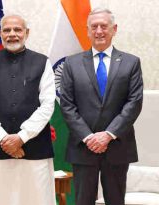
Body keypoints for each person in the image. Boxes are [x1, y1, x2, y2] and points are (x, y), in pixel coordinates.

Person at [60, 8, 144, 205]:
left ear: (114, 29)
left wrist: (108, 135)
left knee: (115, 200)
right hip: (83, 146)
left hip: (117, 146)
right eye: (94, 27)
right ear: (88, 31)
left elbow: (134, 103)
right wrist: (89, 137)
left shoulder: (131, 63)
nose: (99, 31)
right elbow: (67, 104)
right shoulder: (72, 64)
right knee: (82, 201)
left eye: (104, 26)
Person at [0, 14, 57, 205]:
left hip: (35, 149)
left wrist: (21, 137)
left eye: (17, 29)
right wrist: (3, 137)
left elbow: (47, 105)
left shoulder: (43, 62)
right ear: (0, 34)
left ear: (27, 33)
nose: (12, 34)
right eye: (7, 30)